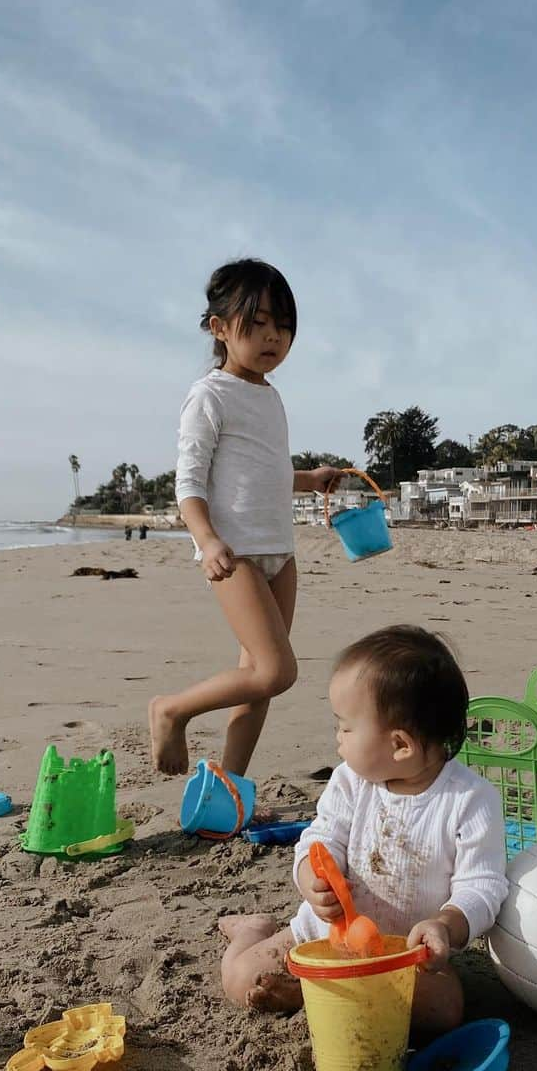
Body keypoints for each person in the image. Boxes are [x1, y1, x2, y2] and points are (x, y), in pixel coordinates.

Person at [218, 626, 508, 1035]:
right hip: (325, 939)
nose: (337, 738)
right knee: (242, 980)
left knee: (443, 1013)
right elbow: (320, 839)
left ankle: (328, 996)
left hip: (405, 958)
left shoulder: (470, 800)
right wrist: (312, 878)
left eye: (346, 727)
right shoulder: (351, 782)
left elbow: (483, 886)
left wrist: (446, 924)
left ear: (400, 745)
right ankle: (252, 932)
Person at [149, 259, 342, 777]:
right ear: (218, 328)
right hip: (234, 554)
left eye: (281, 325)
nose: (271, 337)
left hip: (280, 552)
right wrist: (207, 540)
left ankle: (230, 786)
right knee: (276, 671)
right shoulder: (208, 396)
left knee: (257, 679)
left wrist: (308, 478)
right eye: (255, 325)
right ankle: (172, 709)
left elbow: (266, 471)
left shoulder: (269, 396)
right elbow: (188, 484)